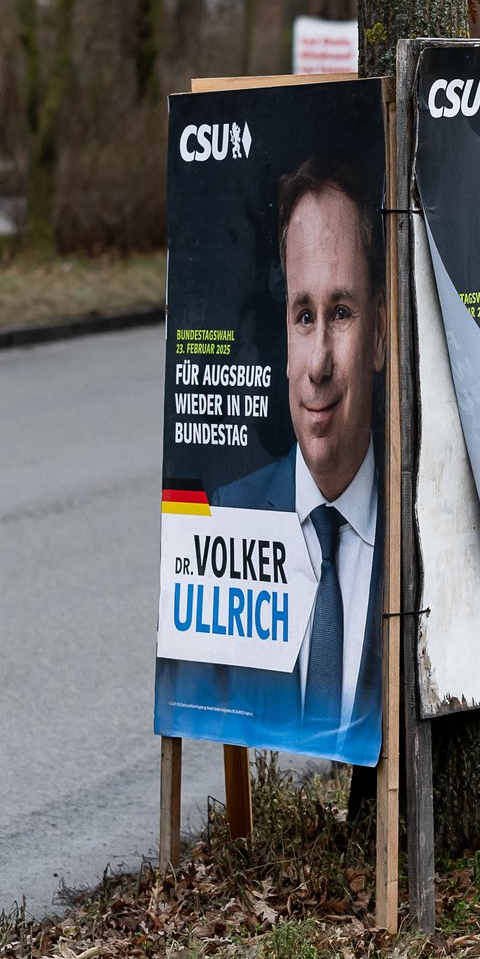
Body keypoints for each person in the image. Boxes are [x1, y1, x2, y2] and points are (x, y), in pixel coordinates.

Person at [158, 159, 385, 763]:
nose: (319, 364)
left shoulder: (422, 530)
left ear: (382, 333)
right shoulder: (224, 524)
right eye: (303, 317)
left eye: (341, 313)